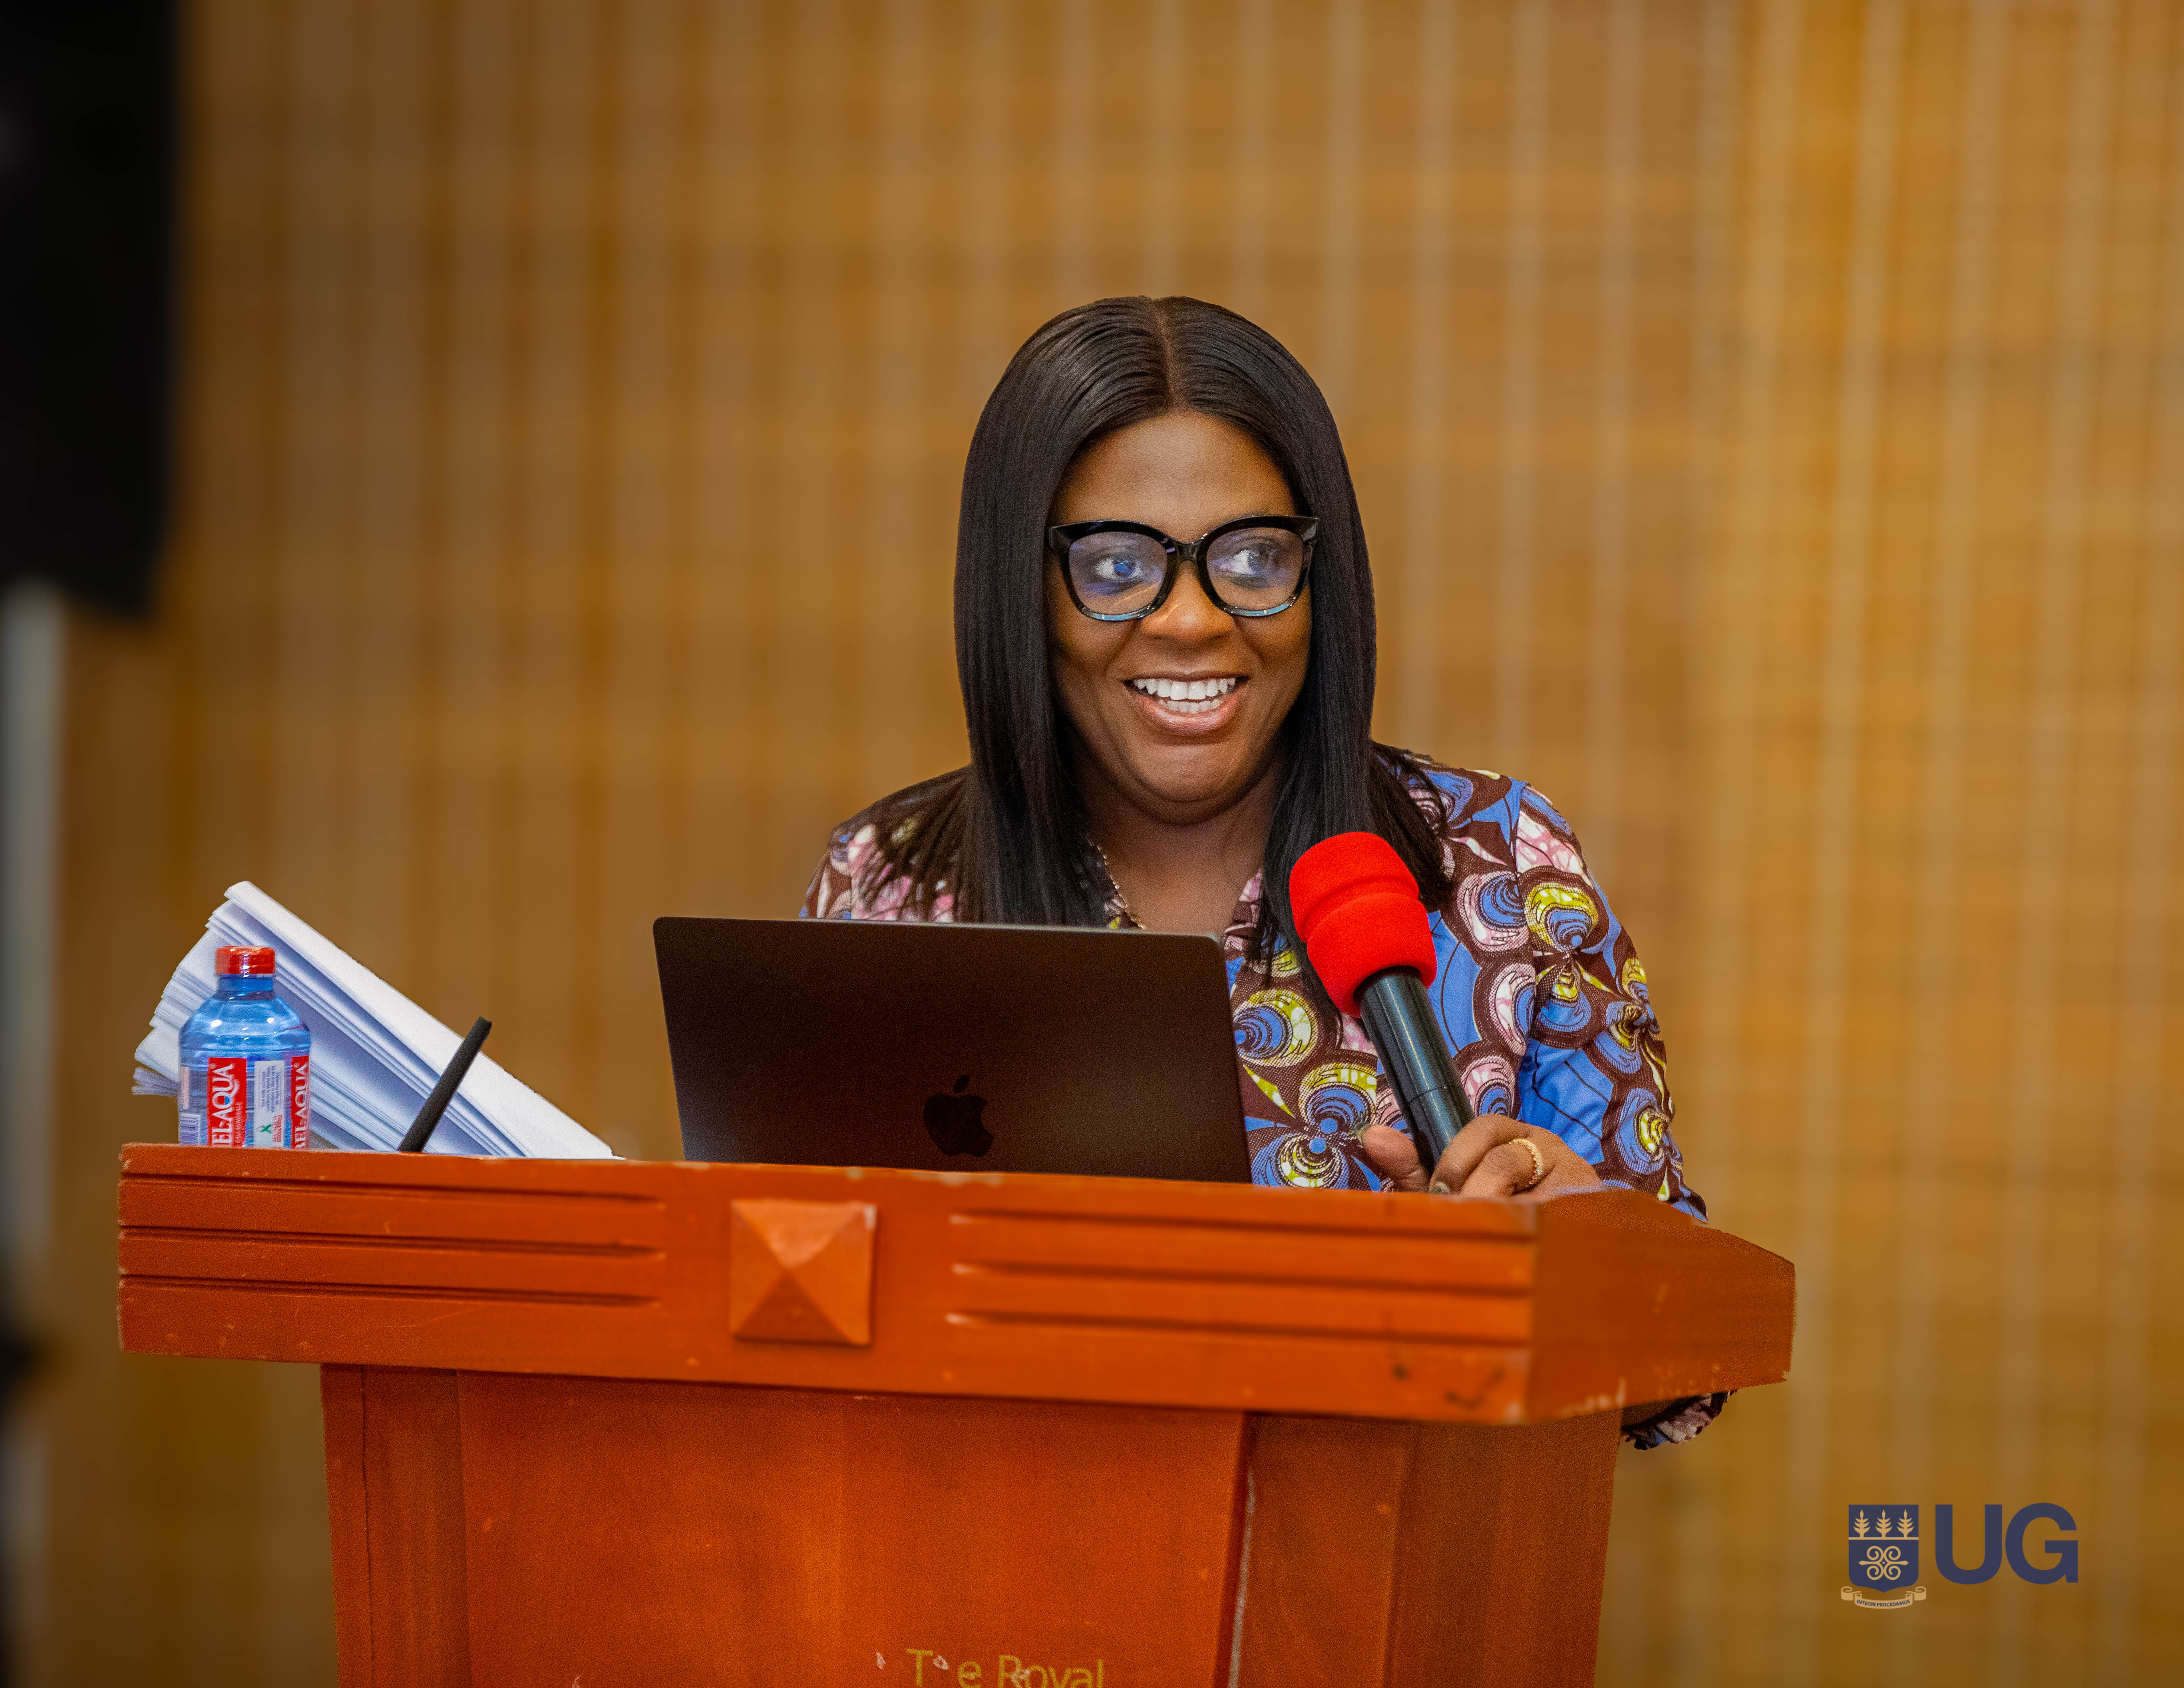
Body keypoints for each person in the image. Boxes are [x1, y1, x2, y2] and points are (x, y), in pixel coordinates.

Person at [802, 295, 1721, 1448]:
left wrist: (1589, 1277)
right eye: (1116, 564)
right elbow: (794, 1299)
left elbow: (1684, 1368)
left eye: (1251, 557)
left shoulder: (1499, 866)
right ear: (1020, 589)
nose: (1192, 620)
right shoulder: (891, 883)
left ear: (1318, 579)